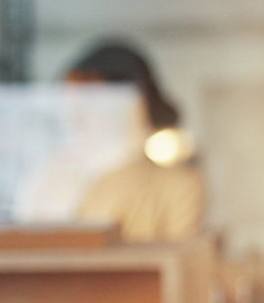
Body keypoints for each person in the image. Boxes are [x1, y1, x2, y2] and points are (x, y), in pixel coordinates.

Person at [65, 40, 204, 242]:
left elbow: (178, 261)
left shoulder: (178, 186)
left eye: (90, 104)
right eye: (72, 105)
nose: (75, 118)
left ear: (133, 106)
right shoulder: (55, 177)